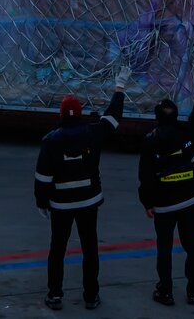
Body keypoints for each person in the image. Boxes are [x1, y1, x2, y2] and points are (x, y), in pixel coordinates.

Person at [35, 68, 129, 311]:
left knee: (57, 249)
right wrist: (119, 87)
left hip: (61, 204)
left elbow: (43, 177)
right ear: (79, 114)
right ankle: (91, 296)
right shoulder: (92, 133)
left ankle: (55, 295)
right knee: (90, 248)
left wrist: (41, 202)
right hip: (89, 201)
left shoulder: (51, 140)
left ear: (61, 115)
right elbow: (113, 118)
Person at [138, 66, 194, 307]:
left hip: (165, 205)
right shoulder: (188, 132)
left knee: (165, 249)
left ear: (157, 119)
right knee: (193, 248)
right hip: (191, 200)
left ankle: (166, 291)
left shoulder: (151, 142)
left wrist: (147, 203)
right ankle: (193, 291)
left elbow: (146, 176)